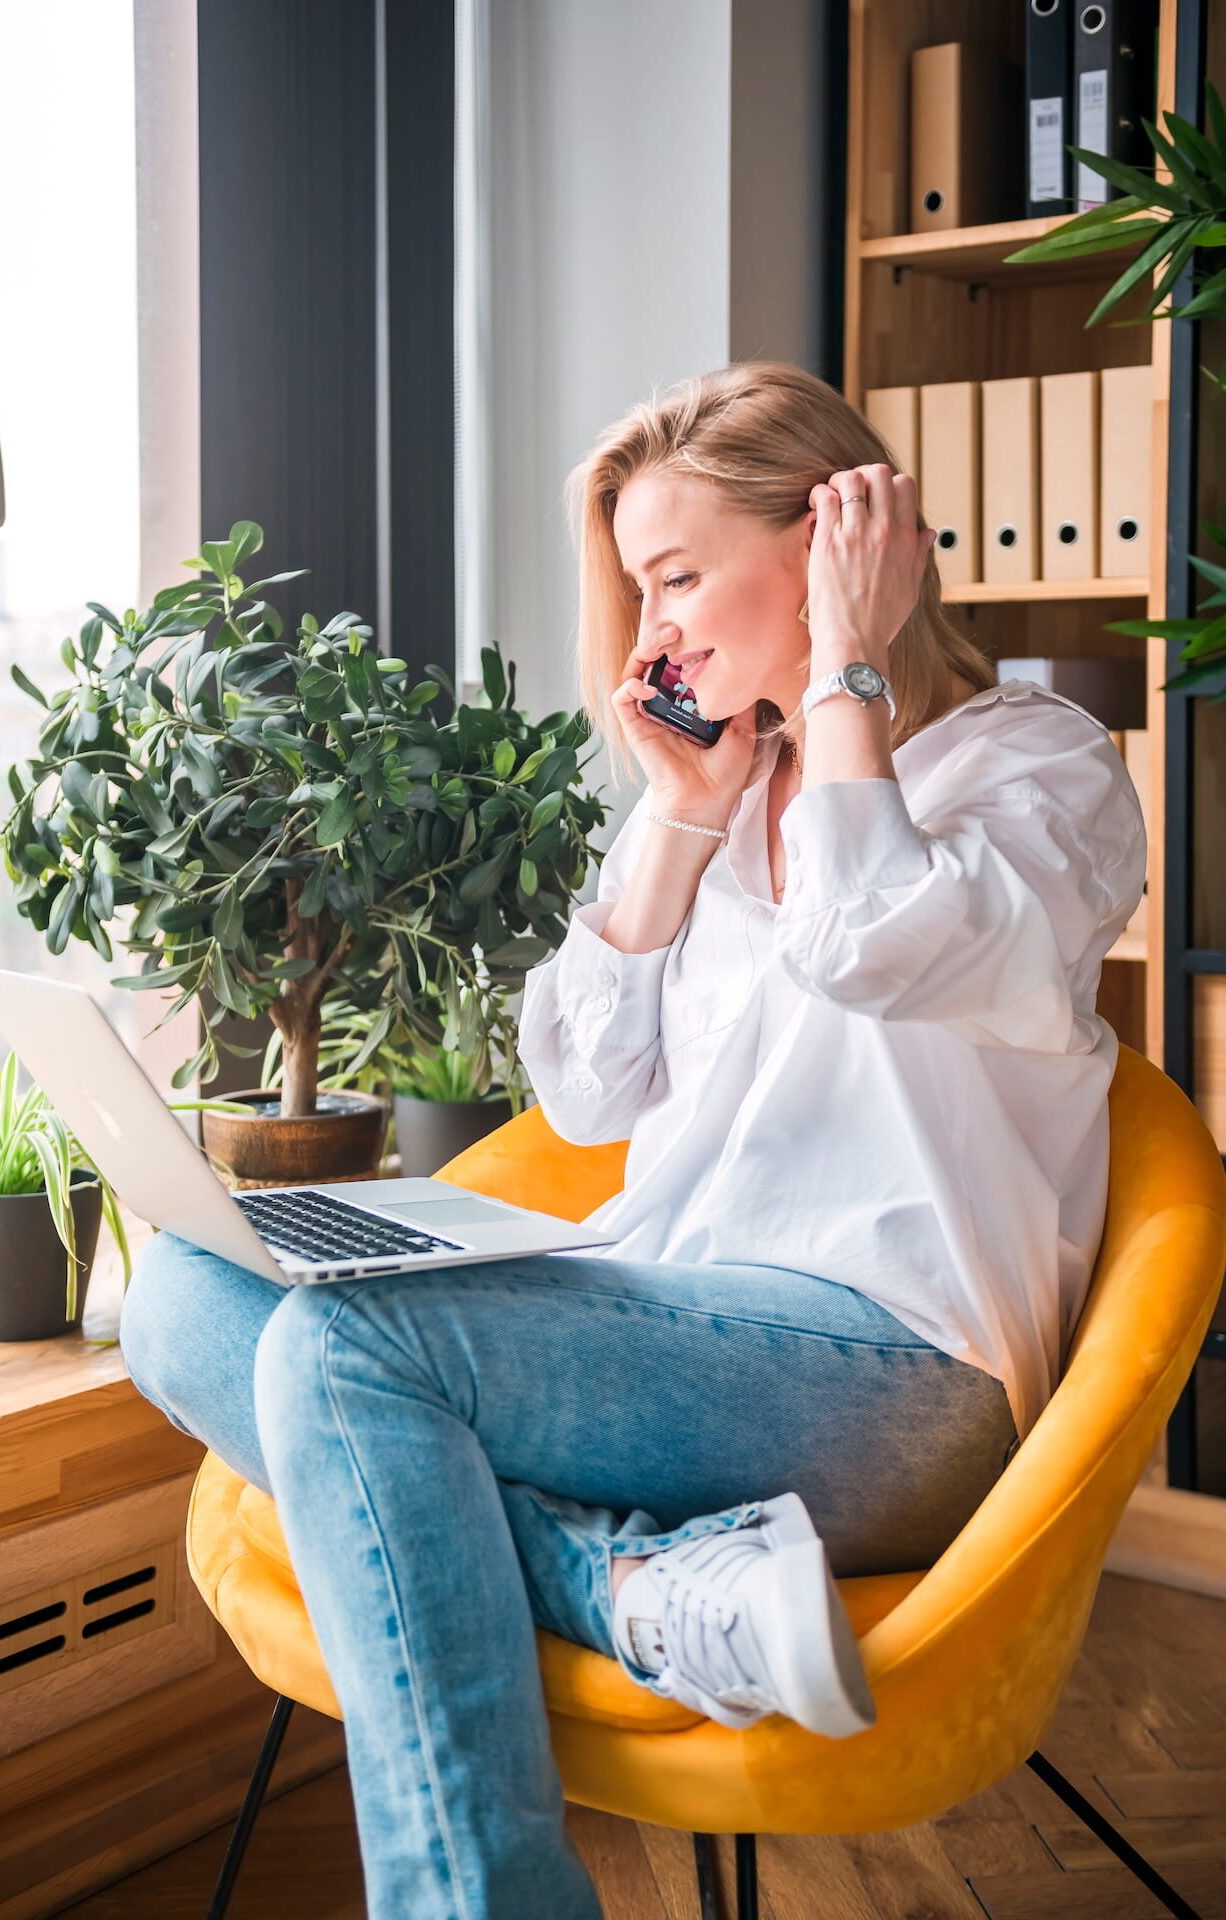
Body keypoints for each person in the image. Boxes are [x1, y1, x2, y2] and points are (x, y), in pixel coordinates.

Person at [118, 360, 1147, 1920]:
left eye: (674, 576)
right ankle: (635, 1589)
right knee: (183, 1297)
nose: (651, 630)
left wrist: (845, 678)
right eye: (636, 588)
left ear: (830, 542)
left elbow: (879, 938)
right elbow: (586, 1095)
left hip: (904, 1378)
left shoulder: (1036, 771)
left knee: (341, 1357)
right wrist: (673, 819)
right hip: (674, 1330)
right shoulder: (723, 782)